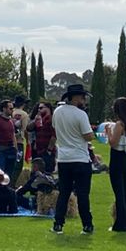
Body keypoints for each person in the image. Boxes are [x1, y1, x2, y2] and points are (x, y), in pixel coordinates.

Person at [52, 83, 97, 234]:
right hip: (80, 158)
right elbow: (88, 135)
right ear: (76, 98)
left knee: (63, 193)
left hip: (64, 158)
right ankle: (87, 225)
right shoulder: (80, 114)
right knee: (83, 194)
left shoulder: (57, 112)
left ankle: (58, 223)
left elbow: (55, 130)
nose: (84, 100)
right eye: (83, 97)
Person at [106, 95, 126, 232]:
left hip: (117, 160)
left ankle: (120, 224)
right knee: (124, 192)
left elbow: (113, 143)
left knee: (119, 193)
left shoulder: (120, 124)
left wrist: (108, 132)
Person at [0, 100, 20, 179]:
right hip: (0, 149)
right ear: (4, 109)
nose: (12, 110)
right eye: (10, 108)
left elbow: (13, 135)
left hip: (11, 149)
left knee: (9, 174)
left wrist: (16, 148)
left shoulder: (11, 121)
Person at [29, 103, 55, 172]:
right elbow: (29, 128)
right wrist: (35, 120)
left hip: (47, 151)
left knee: (47, 171)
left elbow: (54, 135)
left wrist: (49, 150)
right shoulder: (40, 119)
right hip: (38, 150)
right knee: (37, 172)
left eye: (41, 108)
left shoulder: (51, 119)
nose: (38, 110)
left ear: (48, 108)